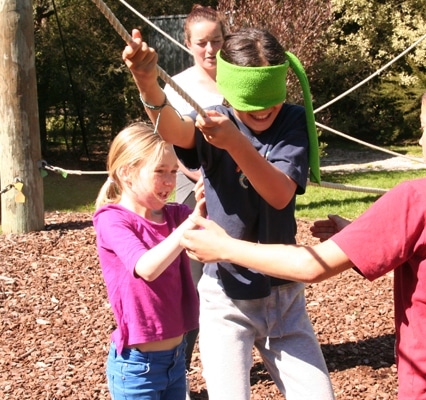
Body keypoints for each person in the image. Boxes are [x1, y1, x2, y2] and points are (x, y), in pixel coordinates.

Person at [181, 67, 426, 399]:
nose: (419, 138)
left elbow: (312, 267)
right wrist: (360, 234)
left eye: (424, 126)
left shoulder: (418, 197)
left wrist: (225, 247)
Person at [122, 27, 333, 399]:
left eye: (271, 100)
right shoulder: (213, 119)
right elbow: (172, 128)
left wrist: (236, 143)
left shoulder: (292, 121)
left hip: (284, 296)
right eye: (250, 104)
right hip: (225, 297)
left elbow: (280, 193)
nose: (264, 111)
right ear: (230, 91)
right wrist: (146, 82)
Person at [92, 122, 204, 399]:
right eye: (160, 172)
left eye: (174, 172)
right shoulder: (111, 218)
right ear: (126, 173)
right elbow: (147, 267)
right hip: (136, 368)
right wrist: (189, 225)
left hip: (176, 361)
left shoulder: (176, 215)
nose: (170, 182)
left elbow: (223, 234)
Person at [161, 5, 226, 389]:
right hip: (193, 183)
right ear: (188, 44)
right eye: (202, 43)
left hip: (242, 184)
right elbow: (171, 141)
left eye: (216, 41)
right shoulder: (177, 84)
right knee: (193, 276)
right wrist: (199, 174)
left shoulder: (239, 79)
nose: (210, 50)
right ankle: (179, 368)